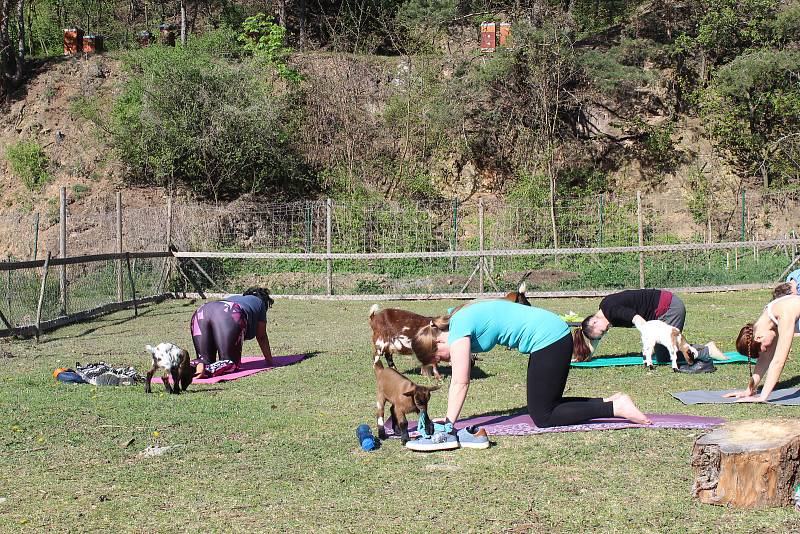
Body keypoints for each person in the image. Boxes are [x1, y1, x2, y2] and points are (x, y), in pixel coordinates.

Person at [405, 299, 651, 451]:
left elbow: (460, 381)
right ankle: (612, 403)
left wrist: (448, 423)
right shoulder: (457, 317)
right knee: (543, 408)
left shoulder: (458, 330)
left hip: (550, 339)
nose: (444, 361)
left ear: (437, 342)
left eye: (438, 358)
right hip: (548, 337)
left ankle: (615, 407)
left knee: (543, 415)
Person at [572, 288, 721, 373]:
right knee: (664, 355)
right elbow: (595, 339)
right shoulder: (604, 312)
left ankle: (706, 351)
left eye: (603, 331)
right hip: (661, 311)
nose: (606, 332)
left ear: (595, 321)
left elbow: (639, 320)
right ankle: (701, 349)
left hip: (669, 308)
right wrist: (586, 357)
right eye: (603, 334)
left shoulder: (613, 310)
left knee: (668, 354)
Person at [725, 294, 800, 402]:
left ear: (759, 338)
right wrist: (749, 390)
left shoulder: (784, 313)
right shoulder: (769, 319)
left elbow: (779, 361)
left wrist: (762, 397)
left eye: (765, 348)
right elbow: (765, 358)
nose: (767, 349)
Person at [189, 287, 274, 377]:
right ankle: (207, 369)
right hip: (229, 311)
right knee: (229, 362)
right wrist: (270, 361)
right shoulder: (260, 303)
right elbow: (261, 336)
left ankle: (186, 365)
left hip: (202, 310)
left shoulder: (234, 297)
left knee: (203, 359)